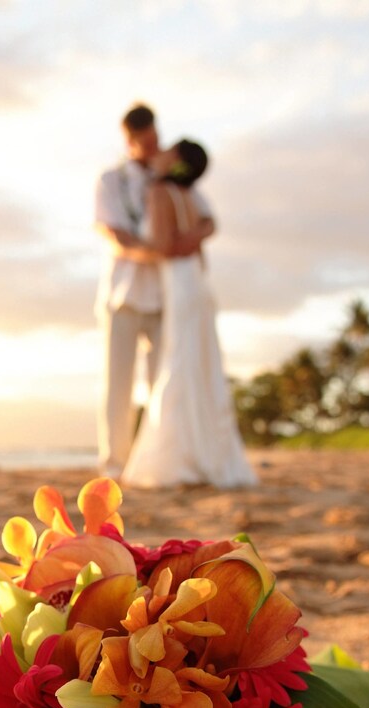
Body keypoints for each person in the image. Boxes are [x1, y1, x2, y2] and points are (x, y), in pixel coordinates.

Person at [121, 140, 258, 489]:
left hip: (179, 282)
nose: (161, 151)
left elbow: (165, 247)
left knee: (180, 362)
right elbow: (206, 229)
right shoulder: (190, 196)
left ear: (176, 161)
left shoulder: (160, 192)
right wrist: (193, 238)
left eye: (169, 150)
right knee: (201, 363)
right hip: (195, 280)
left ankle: (178, 458)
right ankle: (211, 455)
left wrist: (133, 251)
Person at [94, 104, 214, 479]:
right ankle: (114, 466)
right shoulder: (112, 181)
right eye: (145, 142)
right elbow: (112, 234)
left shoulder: (173, 177)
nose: (152, 147)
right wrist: (156, 252)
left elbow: (207, 219)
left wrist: (185, 241)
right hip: (125, 294)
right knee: (118, 384)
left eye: (155, 139)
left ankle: (158, 457)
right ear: (129, 142)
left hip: (166, 298)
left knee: (163, 381)